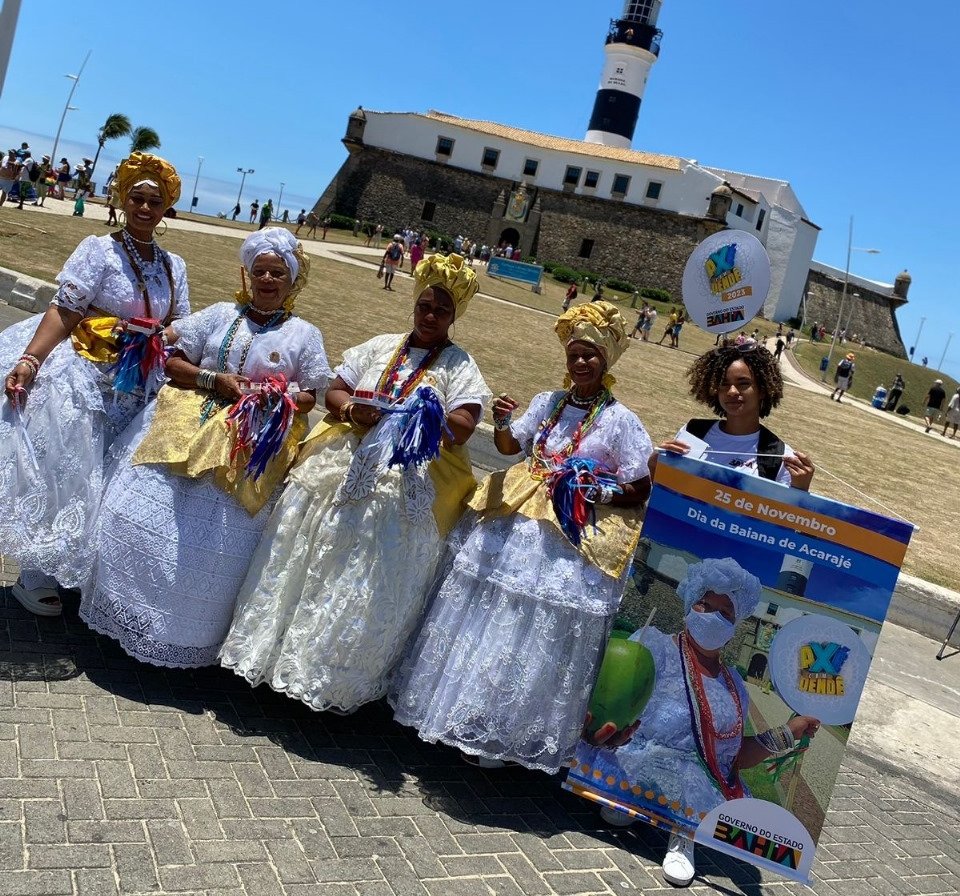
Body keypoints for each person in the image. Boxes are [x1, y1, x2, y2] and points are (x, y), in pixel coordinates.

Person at [220, 253, 491, 713]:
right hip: (341, 463)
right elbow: (334, 390)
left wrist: (423, 417)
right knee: (305, 552)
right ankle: (273, 659)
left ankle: (328, 681)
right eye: (423, 305)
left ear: (454, 316)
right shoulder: (380, 346)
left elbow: (464, 424)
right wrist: (351, 409)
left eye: (440, 311)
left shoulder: (460, 366)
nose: (429, 315)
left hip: (406, 475)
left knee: (364, 571)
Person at [392, 301, 654, 773]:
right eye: (574, 354)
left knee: (533, 629)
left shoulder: (621, 421)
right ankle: (464, 714)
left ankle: (507, 731)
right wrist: (507, 420)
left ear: (607, 360)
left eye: (590, 355)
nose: (580, 363)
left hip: (568, 534)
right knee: (487, 614)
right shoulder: (548, 402)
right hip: (515, 517)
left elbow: (641, 485)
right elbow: (510, 447)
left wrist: (598, 489)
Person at [80, 229, 331, 667]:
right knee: (141, 519)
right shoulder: (219, 314)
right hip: (184, 427)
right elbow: (171, 360)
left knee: (212, 546)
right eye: (260, 272)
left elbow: (313, 393)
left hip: (250, 442)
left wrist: (279, 397)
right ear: (248, 275)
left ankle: (182, 635)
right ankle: (128, 613)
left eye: (278, 273)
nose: (267, 280)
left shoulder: (305, 335)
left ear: (293, 281)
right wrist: (212, 380)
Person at [0, 153, 189, 616]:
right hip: (83, 375)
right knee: (64, 469)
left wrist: (161, 334)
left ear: (167, 208)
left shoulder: (174, 265)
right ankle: (34, 573)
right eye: (137, 198)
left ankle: (79, 567)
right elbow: (65, 310)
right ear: (123, 200)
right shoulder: (97, 250)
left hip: (138, 384)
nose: (146, 207)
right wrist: (31, 359)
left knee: (108, 476)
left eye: (155, 200)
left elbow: (182, 322)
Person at [581, 558, 820, 887]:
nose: (712, 616)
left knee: (696, 781)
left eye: (725, 612)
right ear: (689, 601)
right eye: (705, 604)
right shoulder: (653, 646)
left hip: (692, 793)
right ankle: (627, 801)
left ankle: (682, 837)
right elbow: (614, 702)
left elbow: (729, 760)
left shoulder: (735, 687)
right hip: (632, 766)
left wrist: (788, 733)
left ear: (736, 625)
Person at [649, 342, 815, 490]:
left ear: (763, 389)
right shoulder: (693, 432)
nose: (732, 392)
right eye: (724, 384)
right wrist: (655, 466)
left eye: (743, 383)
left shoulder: (780, 457)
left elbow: (782, 519)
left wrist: (800, 489)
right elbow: (668, 491)